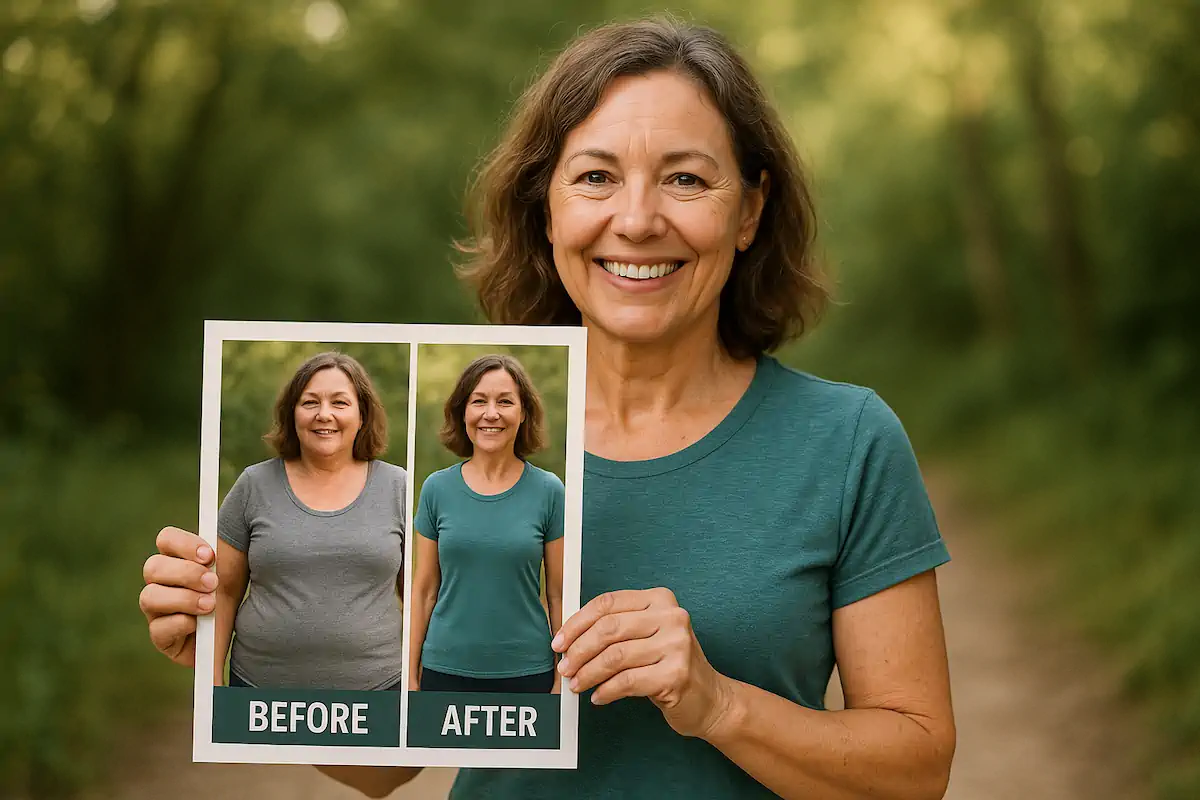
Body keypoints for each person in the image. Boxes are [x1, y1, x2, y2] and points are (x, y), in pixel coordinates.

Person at [140, 15, 956, 800]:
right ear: (546, 208)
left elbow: (916, 770)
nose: (636, 220)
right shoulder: (434, 475)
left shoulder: (846, 442)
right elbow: (388, 768)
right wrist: (222, 654)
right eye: (596, 176)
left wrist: (722, 706)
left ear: (748, 210)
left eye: (685, 178)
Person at [214, 351, 407, 691]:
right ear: (292, 414)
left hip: (379, 695)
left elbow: (420, 596)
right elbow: (224, 591)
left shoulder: (397, 487)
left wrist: (417, 684)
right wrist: (212, 680)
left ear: (362, 415)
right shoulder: (253, 485)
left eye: (340, 403)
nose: (324, 414)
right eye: (310, 402)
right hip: (260, 694)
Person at [408, 354, 565, 694]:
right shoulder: (436, 488)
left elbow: (558, 594)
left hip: (529, 674)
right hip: (443, 671)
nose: (491, 413)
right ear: (463, 412)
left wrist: (560, 678)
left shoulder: (549, 491)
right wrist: (409, 675)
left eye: (505, 402)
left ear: (523, 414)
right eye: (479, 401)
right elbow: (422, 592)